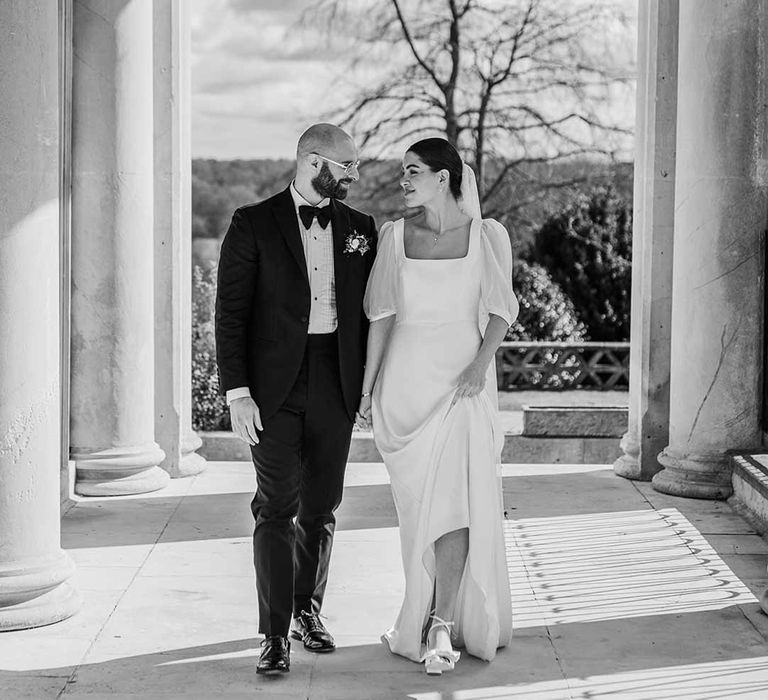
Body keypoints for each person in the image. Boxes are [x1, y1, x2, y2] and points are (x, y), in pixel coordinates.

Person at [215, 124, 378, 675]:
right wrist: (237, 393)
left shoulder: (361, 228)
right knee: (276, 507)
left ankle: (309, 611)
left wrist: (369, 386)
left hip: (336, 381)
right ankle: (274, 634)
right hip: (271, 389)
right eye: (346, 166)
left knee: (322, 506)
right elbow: (230, 314)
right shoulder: (252, 223)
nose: (355, 175)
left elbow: (373, 314)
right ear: (312, 161)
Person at [357, 137, 518, 675]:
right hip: (404, 388)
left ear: (445, 177)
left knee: (457, 502)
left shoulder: (487, 236)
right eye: (403, 172)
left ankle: (443, 623)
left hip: (461, 386)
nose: (402, 181)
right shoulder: (394, 237)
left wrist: (479, 365)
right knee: (417, 512)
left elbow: (501, 311)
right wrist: (366, 389)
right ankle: (420, 609)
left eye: (413, 171)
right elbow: (381, 318)